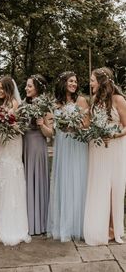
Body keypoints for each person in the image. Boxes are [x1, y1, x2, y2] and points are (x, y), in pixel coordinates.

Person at [84, 67, 126, 245]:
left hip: (114, 148)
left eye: (92, 80)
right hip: (97, 148)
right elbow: (89, 125)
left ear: (101, 82)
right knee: (99, 186)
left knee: (113, 187)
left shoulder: (119, 100)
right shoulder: (93, 101)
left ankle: (112, 228)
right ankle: (99, 226)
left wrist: (114, 135)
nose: (90, 83)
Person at [0, 76, 31, 245]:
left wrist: (5, 122)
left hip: (12, 142)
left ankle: (13, 224)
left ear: (8, 88)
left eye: (1, 88)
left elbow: (17, 125)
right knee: (1, 175)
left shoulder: (15, 103)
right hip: (1, 142)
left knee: (12, 174)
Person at [47, 71, 89, 242]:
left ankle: (78, 225)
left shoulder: (81, 100)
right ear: (63, 82)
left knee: (77, 180)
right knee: (64, 181)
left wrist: (74, 125)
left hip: (77, 144)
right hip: (63, 145)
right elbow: (53, 129)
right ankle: (64, 224)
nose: (74, 84)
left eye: (75, 81)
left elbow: (87, 123)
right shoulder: (55, 104)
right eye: (71, 81)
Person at [23, 74, 52, 236]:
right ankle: (27, 221)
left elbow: (51, 132)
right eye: (26, 86)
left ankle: (39, 222)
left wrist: (41, 124)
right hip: (25, 146)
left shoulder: (45, 106)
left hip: (38, 146)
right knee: (26, 181)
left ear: (38, 88)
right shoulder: (23, 104)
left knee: (37, 180)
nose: (26, 88)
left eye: (30, 86)